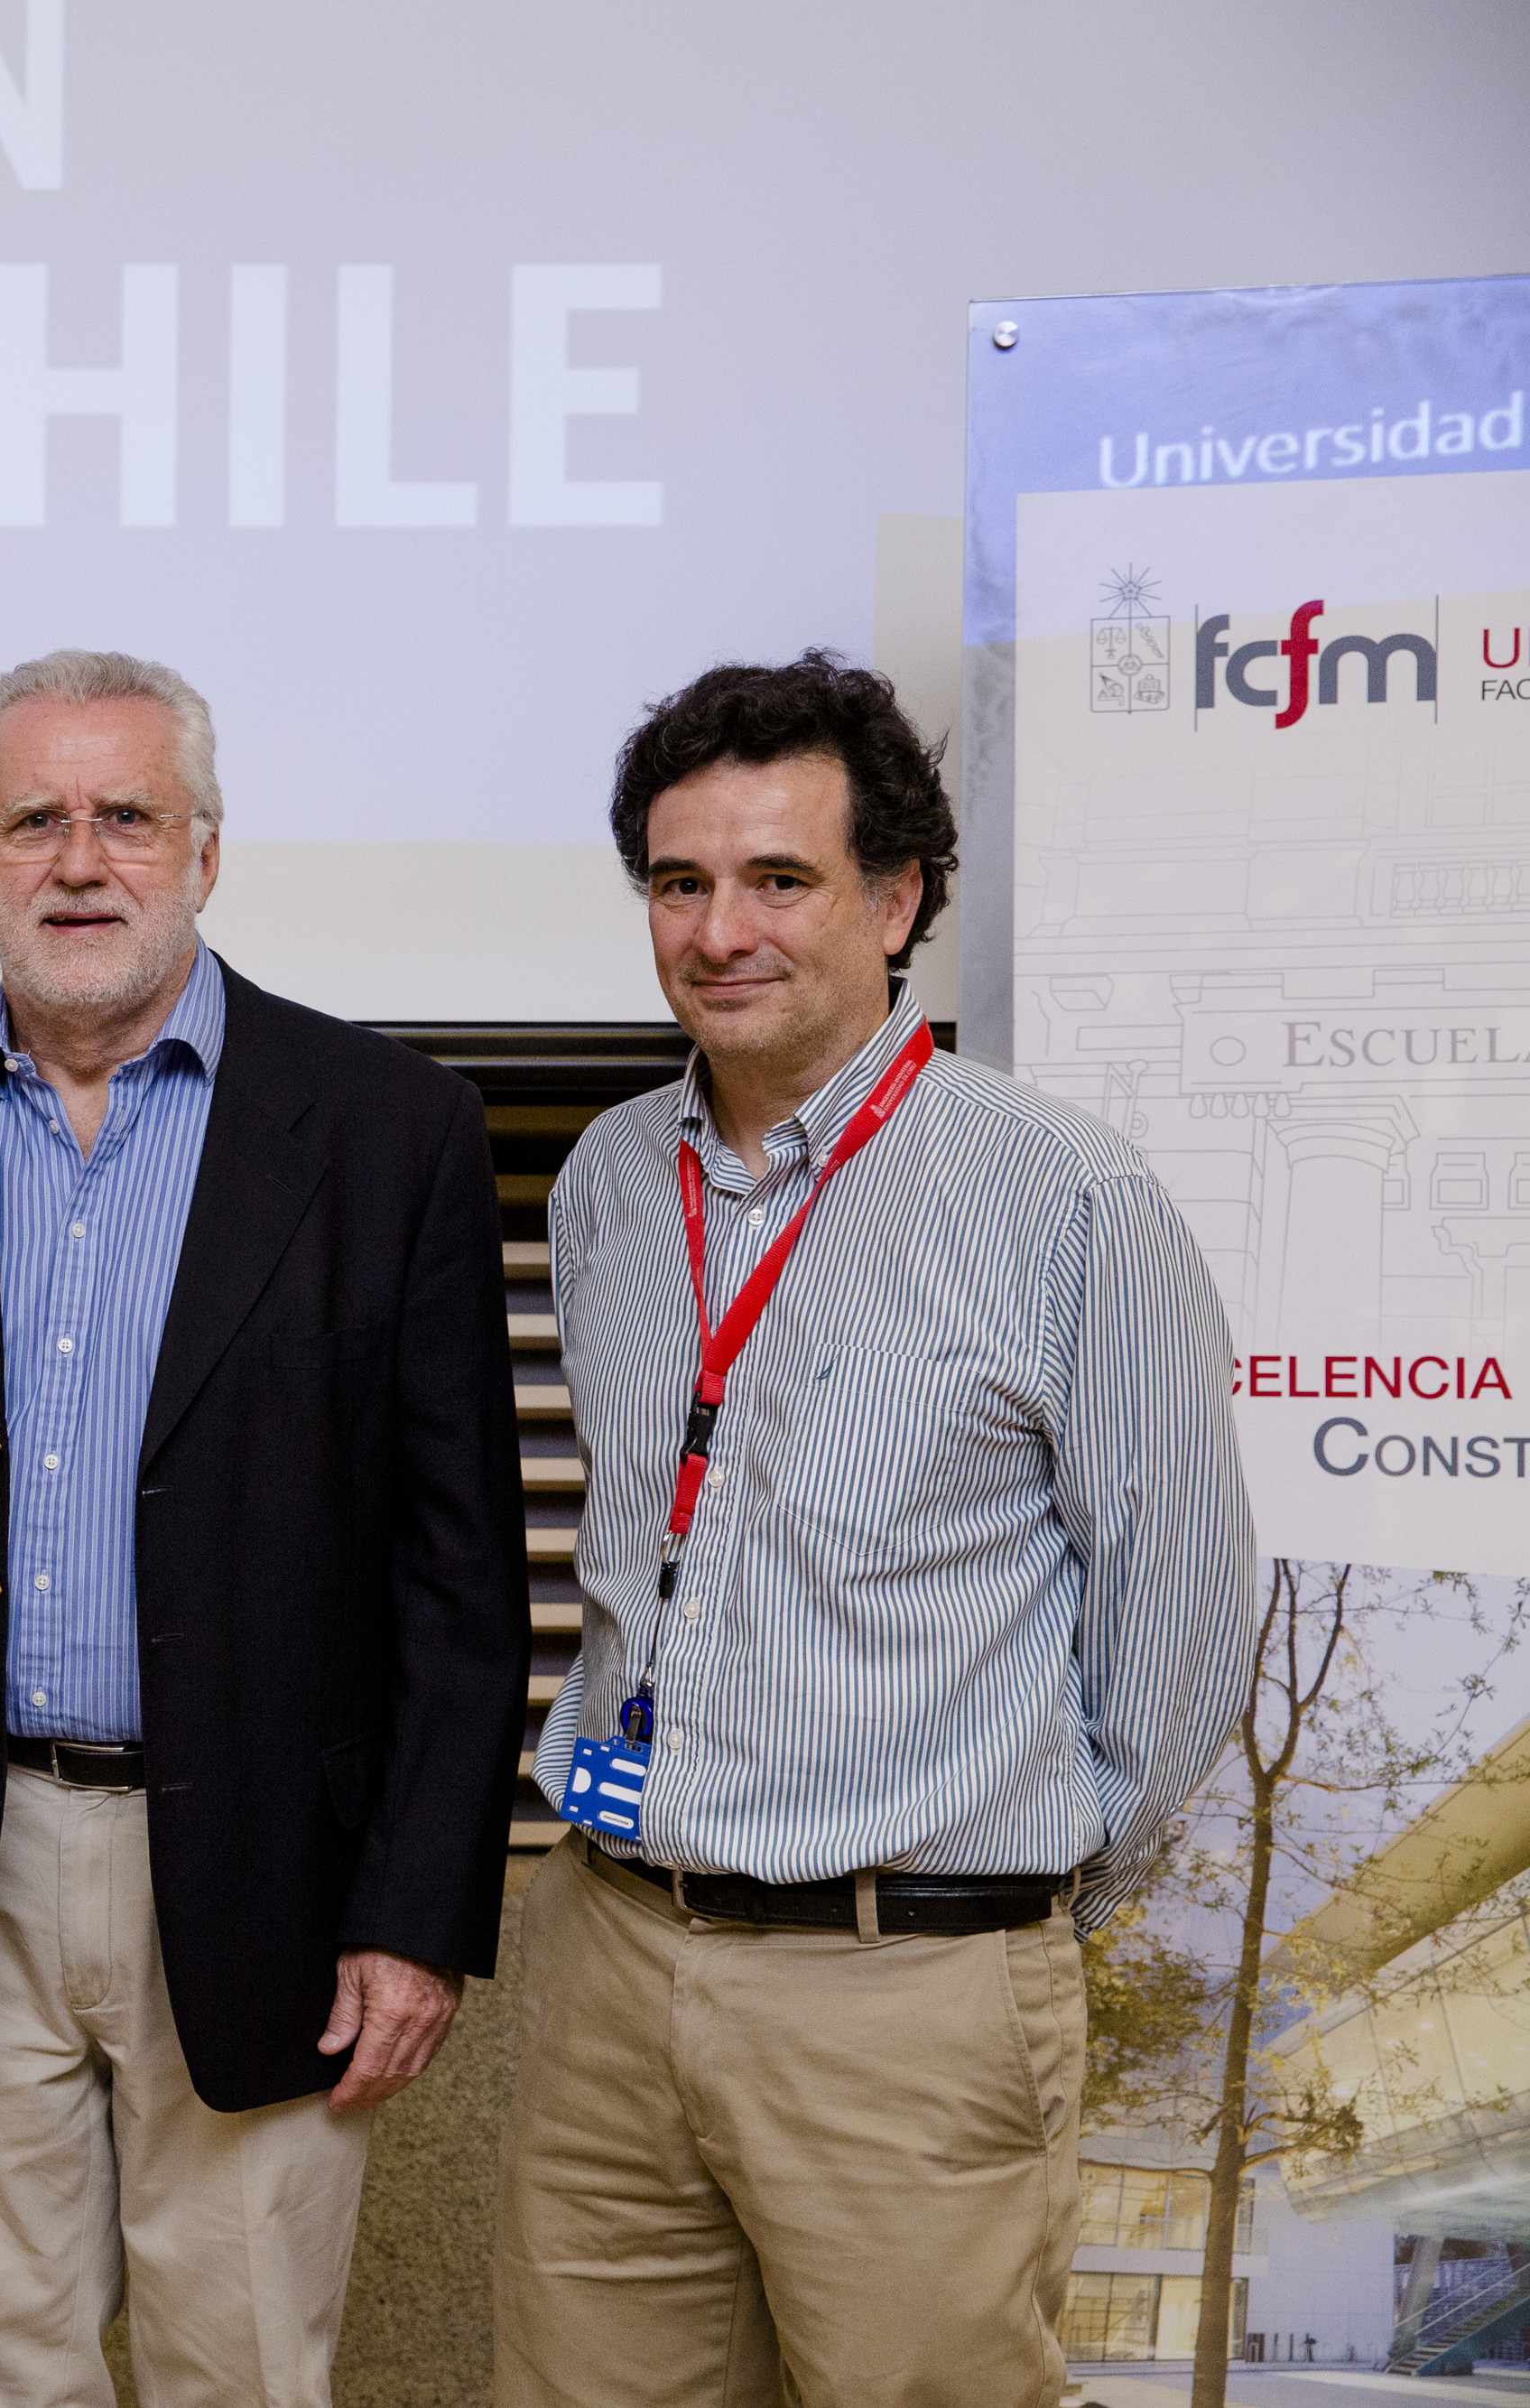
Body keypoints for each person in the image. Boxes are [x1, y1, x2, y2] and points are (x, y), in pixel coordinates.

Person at [0, 648, 529, 2408]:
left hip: (267, 1870)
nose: (78, 860)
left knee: (241, 2371)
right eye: (32, 820)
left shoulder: (390, 1130)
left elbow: (460, 1578)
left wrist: (416, 1910)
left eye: (127, 816)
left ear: (206, 851)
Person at [494, 653, 1255, 2406]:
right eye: (678, 882)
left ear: (897, 898)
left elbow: (1178, 1640)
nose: (718, 931)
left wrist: (986, 1913)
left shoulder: (1067, 1201)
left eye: (779, 877)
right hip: (609, 1954)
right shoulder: (608, 1180)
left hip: (903, 1990)